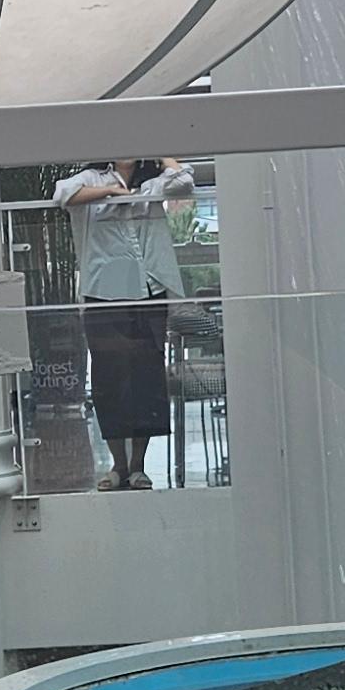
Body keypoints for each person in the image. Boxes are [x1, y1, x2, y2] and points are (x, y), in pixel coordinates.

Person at [52, 157, 197, 487]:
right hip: (104, 292)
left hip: (149, 291)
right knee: (109, 378)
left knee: (147, 377)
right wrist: (110, 192)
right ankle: (117, 465)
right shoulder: (92, 177)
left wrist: (159, 154)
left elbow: (185, 181)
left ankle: (138, 465)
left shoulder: (152, 181)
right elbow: (63, 194)